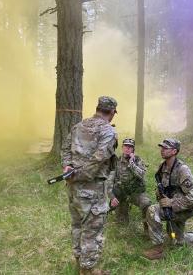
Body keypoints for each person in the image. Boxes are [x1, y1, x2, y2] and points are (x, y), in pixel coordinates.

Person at [61, 96, 118, 275]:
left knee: (77, 225)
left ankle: (79, 262)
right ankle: (87, 270)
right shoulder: (108, 131)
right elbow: (98, 160)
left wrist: (68, 168)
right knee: (92, 231)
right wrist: (79, 175)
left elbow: (64, 149)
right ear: (111, 112)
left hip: (73, 188)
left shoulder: (79, 126)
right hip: (92, 189)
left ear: (98, 108)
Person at [143, 138, 193, 260]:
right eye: (161, 147)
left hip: (185, 208)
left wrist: (171, 203)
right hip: (173, 207)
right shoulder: (162, 167)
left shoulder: (182, 170)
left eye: (165, 148)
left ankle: (158, 249)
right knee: (177, 241)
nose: (162, 150)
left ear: (174, 151)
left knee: (152, 210)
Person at [109, 138, 151, 234]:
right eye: (125, 146)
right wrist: (112, 197)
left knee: (146, 204)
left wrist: (132, 163)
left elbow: (141, 175)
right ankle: (118, 210)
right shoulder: (117, 162)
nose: (127, 148)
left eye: (130, 147)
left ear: (133, 149)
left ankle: (147, 229)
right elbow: (109, 181)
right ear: (122, 147)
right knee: (122, 225)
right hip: (123, 194)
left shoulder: (138, 160)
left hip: (136, 193)